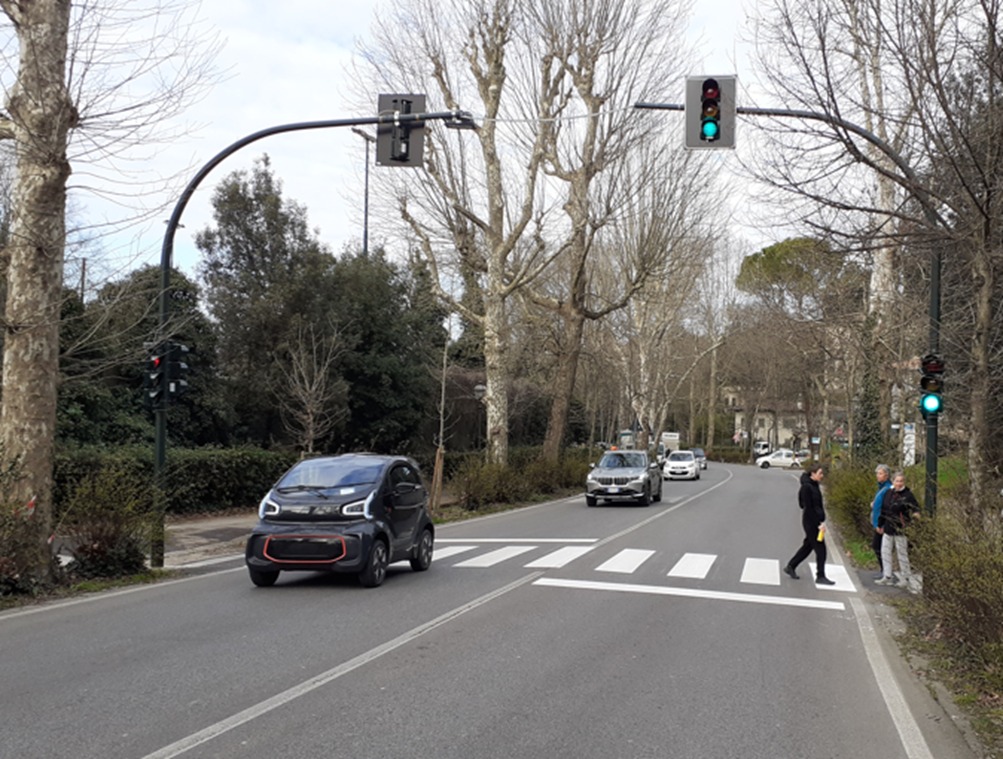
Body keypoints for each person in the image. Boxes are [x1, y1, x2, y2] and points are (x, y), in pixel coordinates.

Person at [783, 464, 835, 585]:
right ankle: (820, 576)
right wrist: (818, 523)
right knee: (821, 550)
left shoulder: (814, 485)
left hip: (815, 521)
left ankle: (791, 566)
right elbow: (807, 506)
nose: (822, 476)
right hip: (811, 522)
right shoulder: (807, 487)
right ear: (813, 473)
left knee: (808, 546)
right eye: (820, 473)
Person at [876, 472, 921, 591]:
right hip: (888, 526)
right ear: (893, 481)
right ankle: (887, 576)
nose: (899, 483)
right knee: (885, 551)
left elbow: (915, 507)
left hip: (900, 528)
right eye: (897, 481)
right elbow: (884, 509)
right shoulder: (889, 493)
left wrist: (916, 515)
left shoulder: (907, 495)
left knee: (902, 553)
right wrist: (880, 524)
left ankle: (905, 578)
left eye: (901, 481)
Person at [871, 465, 892, 578]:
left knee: (878, 546)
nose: (877, 476)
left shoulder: (888, 489)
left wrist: (881, 524)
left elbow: (886, 507)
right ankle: (884, 570)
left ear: (886, 475)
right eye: (877, 473)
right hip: (878, 522)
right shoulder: (882, 488)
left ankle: (886, 571)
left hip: (882, 523)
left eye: (880, 473)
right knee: (878, 546)